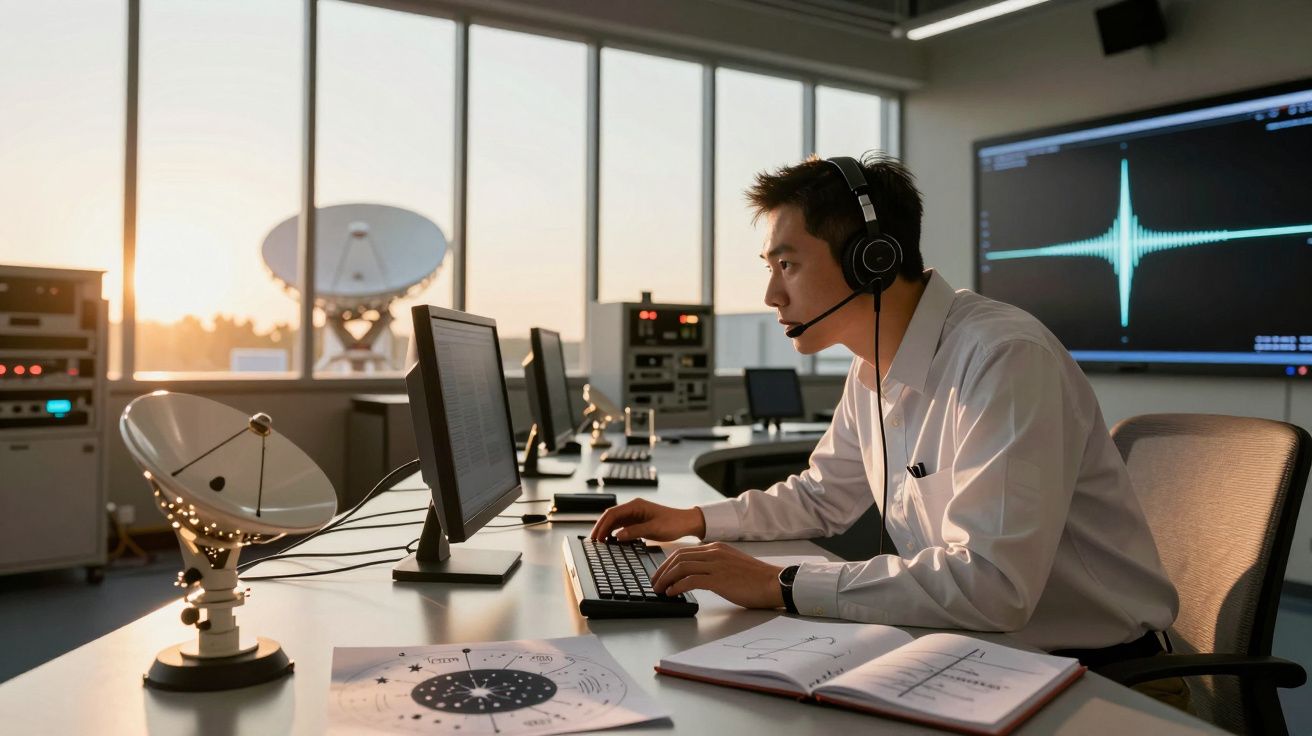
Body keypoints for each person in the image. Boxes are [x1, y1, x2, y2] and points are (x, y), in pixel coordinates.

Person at [591, 153, 1184, 693]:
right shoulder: (873, 361)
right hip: (984, 658)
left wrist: (783, 583)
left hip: (1101, 681)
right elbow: (822, 498)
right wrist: (692, 520)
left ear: (872, 260)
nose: (772, 293)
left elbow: (994, 585)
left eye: (788, 264)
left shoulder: (1003, 357)